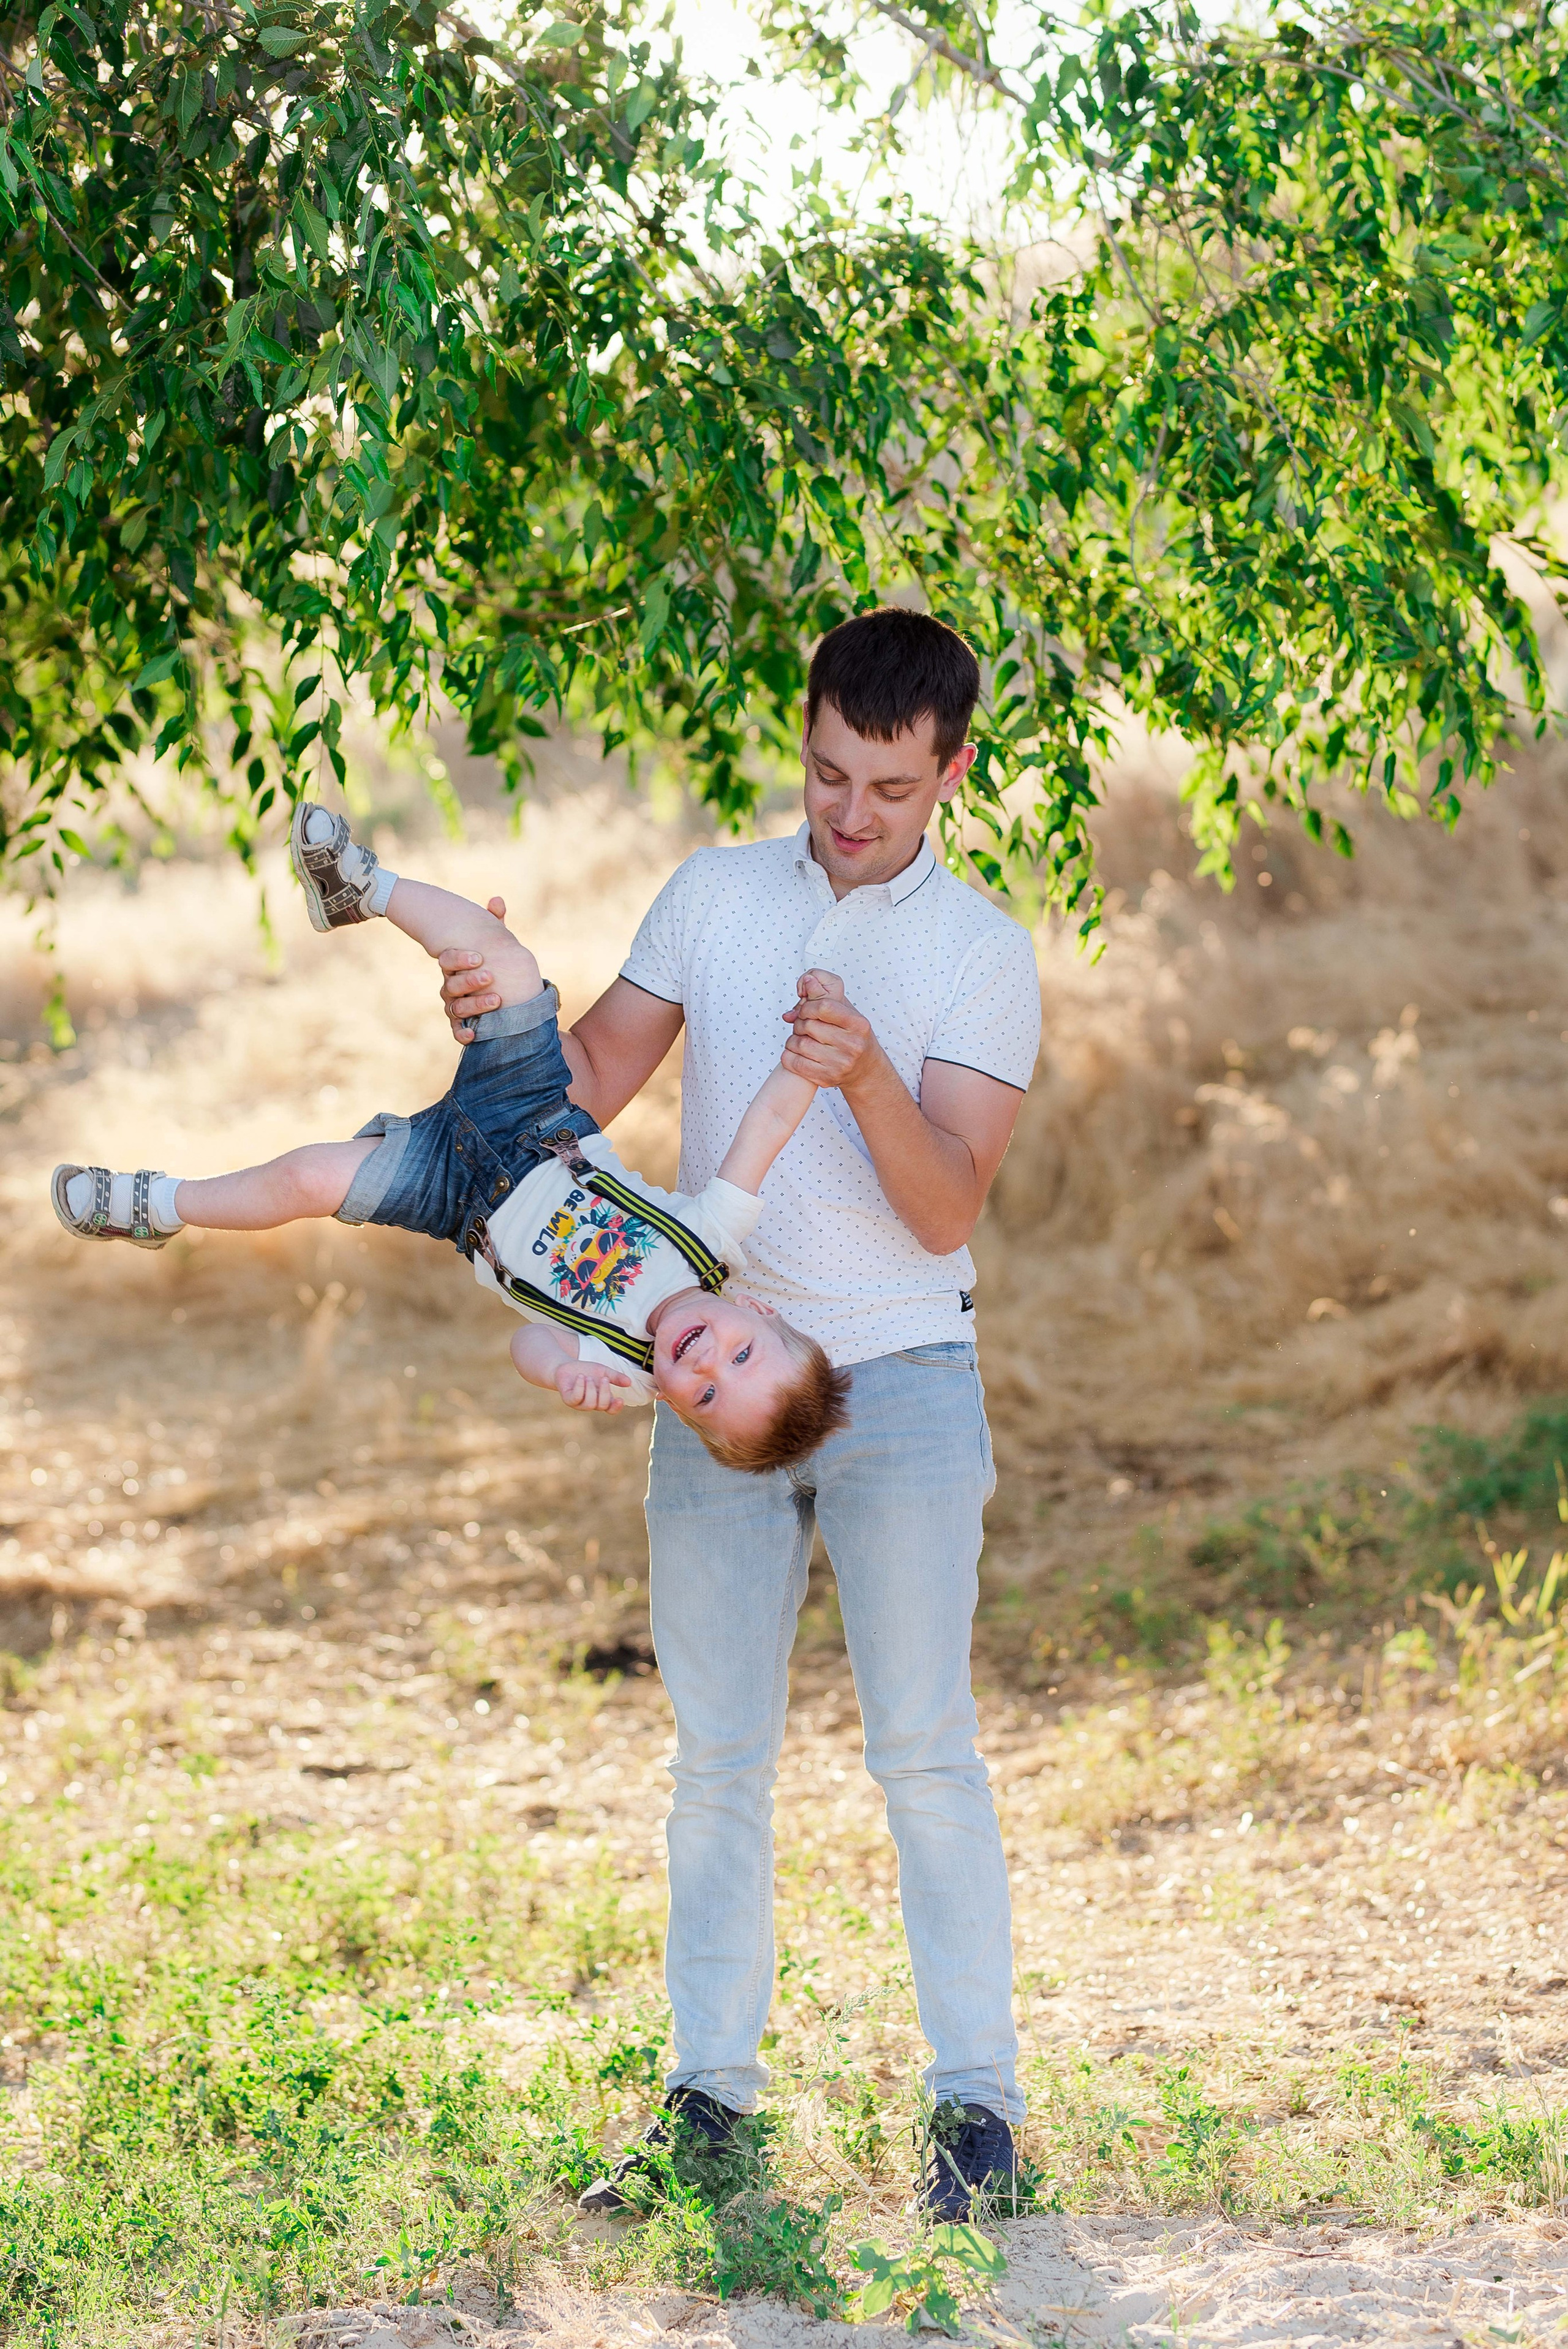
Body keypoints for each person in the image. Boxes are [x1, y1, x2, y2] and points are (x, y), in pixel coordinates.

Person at [439, 608, 1043, 2215]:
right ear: (807, 737)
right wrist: (494, 1017)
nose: (851, 812)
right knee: (716, 1760)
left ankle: (977, 2115)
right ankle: (708, 2104)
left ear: (951, 772)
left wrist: (862, 1075)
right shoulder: (712, 895)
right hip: (713, 1385)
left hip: (902, 1382)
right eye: (829, 773)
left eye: (891, 789)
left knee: (923, 1752)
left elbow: (946, 1209)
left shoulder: (981, 952)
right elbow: (584, 1083)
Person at [50, 808, 851, 1474]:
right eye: (742, 1356)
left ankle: (157, 1206)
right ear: (754, 1308)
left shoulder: (618, 1371)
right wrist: (810, 1057)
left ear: (674, 1407)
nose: (708, 1364)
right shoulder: (712, 1238)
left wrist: (562, 1374)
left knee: (307, 1181)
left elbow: (528, 1344)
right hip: (535, 1112)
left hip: (454, 1195)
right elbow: (765, 1131)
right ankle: (361, 886)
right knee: (501, 960)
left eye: (706, 1396)